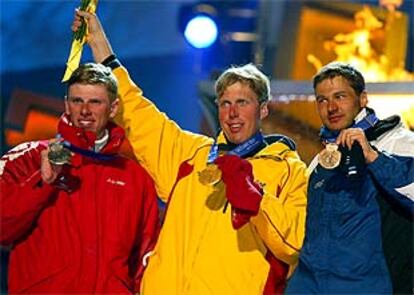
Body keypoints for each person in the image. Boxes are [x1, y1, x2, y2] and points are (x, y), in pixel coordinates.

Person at [72, 10, 308, 294]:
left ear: (264, 109)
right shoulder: (192, 154)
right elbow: (135, 110)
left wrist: (257, 199)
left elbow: (293, 245)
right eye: (224, 103)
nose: (232, 113)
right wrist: (98, 42)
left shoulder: (290, 170)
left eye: (242, 102)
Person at [0, 63, 160, 293]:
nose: (85, 110)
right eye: (77, 101)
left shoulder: (135, 177)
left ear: (113, 107)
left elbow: (146, 257)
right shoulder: (28, 158)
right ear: (67, 104)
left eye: (95, 102)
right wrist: (43, 183)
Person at [286, 62, 414, 294]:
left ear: (363, 99)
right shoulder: (320, 162)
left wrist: (374, 158)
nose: (331, 107)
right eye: (322, 100)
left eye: (340, 96)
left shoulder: (402, 143)